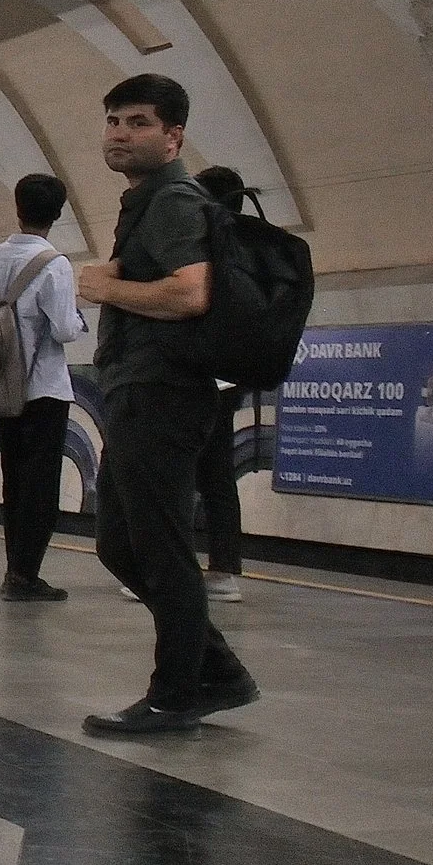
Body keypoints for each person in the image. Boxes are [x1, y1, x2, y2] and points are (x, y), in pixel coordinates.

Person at [78, 75, 258, 735]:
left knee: (159, 548)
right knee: (121, 544)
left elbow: (190, 293)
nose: (120, 135)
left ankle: (176, 691)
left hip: (164, 392)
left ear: (173, 136)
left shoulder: (175, 200)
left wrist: (106, 288)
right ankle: (219, 671)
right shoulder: (145, 200)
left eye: (138, 123)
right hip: (138, 389)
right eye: (113, 122)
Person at [0, 174, 88, 601]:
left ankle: (14, 568)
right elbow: (65, 329)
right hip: (44, 389)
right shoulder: (54, 264)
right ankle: (25, 576)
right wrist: (79, 322)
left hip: (0, 387)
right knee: (41, 485)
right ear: (58, 214)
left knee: (13, 480)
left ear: (17, 208)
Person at [193, 166, 250, 604]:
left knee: (173, 472)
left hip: (193, 373)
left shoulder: (200, 243)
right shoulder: (250, 246)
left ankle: (164, 568)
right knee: (218, 477)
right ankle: (225, 570)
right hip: (230, 377)